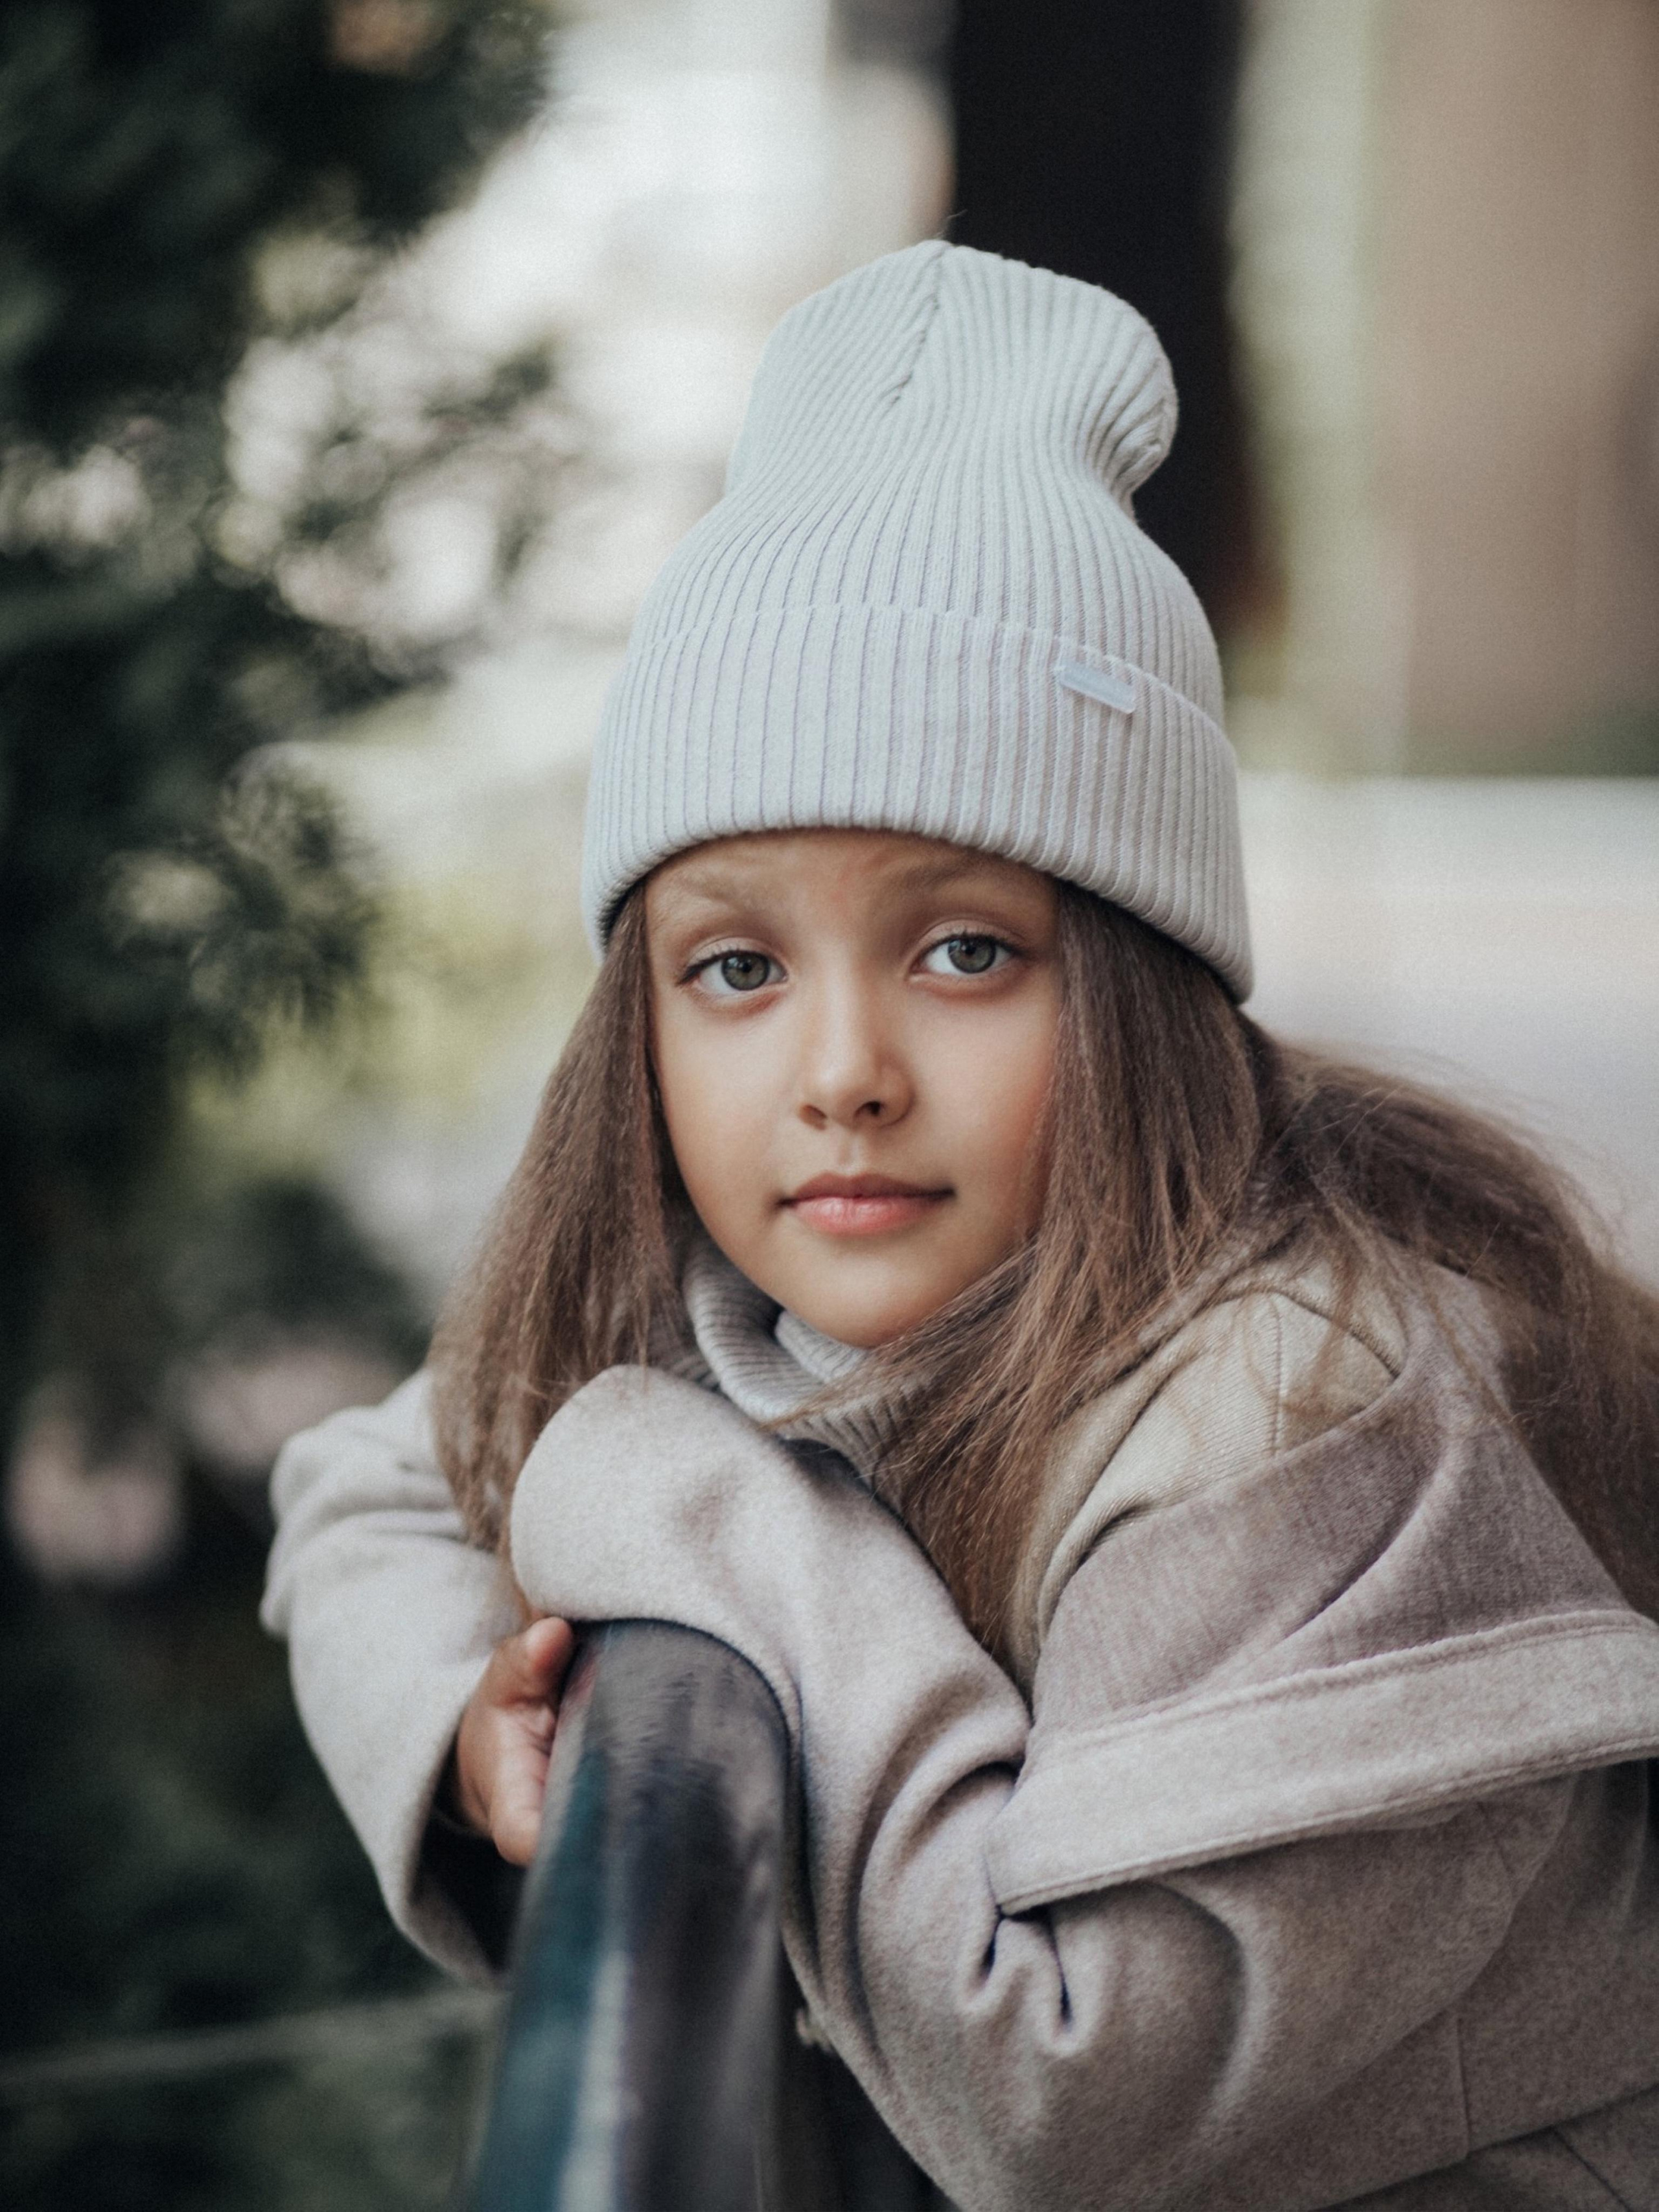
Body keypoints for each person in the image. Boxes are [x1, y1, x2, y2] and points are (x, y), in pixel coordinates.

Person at [263, 242, 1659, 2208]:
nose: (842, 1069)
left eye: (965, 949)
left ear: (1141, 979)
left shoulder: (1313, 1415)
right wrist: (450, 1725)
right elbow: (370, 1477)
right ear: (636, 1014)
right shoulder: (732, 1280)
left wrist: (700, 1507)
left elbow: (1059, 2094)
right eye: (736, 967)